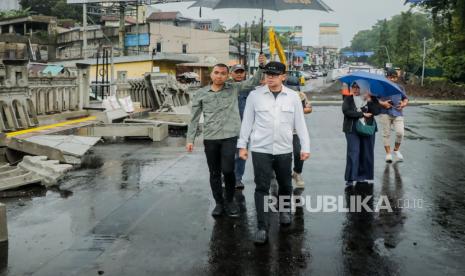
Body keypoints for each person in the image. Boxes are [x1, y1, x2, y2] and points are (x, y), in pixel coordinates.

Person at [237, 61, 311, 244]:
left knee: (285, 185)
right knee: (261, 187)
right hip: (261, 149)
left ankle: (284, 210)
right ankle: (262, 227)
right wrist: (242, 145)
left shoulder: (293, 96)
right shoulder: (255, 96)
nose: (269, 77)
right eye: (267, 74)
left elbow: (300, 124)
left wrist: (305, 147)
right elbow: (247, 122)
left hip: (284, 149)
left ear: (283, 77)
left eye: (274, 75)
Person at [186, 55, 266, 218]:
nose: (219, 76)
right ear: (211, 74)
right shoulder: (201, 94)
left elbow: (253, 82)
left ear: (227, 75)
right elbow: (194, 118)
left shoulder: (233, 88)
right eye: (216, 73)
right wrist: (190, 139)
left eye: (223, 73)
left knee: (228, 170)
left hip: (230, 137)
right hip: (211, 138)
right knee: (214, 173)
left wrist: (262, 66)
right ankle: (219, 203)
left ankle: (229, 201)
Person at [342, 80, 381, 187]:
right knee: (353, 152)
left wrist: (369, 100)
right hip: (352, 129)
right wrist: (362, 114)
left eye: (357, 87)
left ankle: (362, 177)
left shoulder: (371, 98)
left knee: (366, 152)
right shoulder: (348, 99)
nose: (354, 89)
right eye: (353, 86)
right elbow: (346, 111)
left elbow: (377, 111)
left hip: (367, 128)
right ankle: (350, 178)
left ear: (363, 88)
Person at [378, 72, 409, 163]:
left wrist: (403, 104)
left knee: (400, 133)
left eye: (394, 78)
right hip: (385, 113)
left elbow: (405, 98)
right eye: (390, 77)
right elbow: (375, 99)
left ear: (396, 78)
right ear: (386, 77)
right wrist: (382, 103)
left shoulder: (400, 87)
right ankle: (388, 154)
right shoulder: (381, 87)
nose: (392, 79)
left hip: (398, 112)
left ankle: (396, 150)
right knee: (386, 134)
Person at [230, 64, 249, 189]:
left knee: (241, 155)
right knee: (227, 154)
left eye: (241, 72)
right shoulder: (226, 88)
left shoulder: (250, 89)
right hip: (228, 127)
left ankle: (237, 178)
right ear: (231, 73)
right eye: (236, 72)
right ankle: (226, 175)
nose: (239, 74)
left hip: (244, 128)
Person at [292, 91, 312, 195]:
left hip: (295, 131)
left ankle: (297, 173)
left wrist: (300, 110)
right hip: (278, 131)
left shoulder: (301, 95)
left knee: (298, 152)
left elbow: (309, 109)